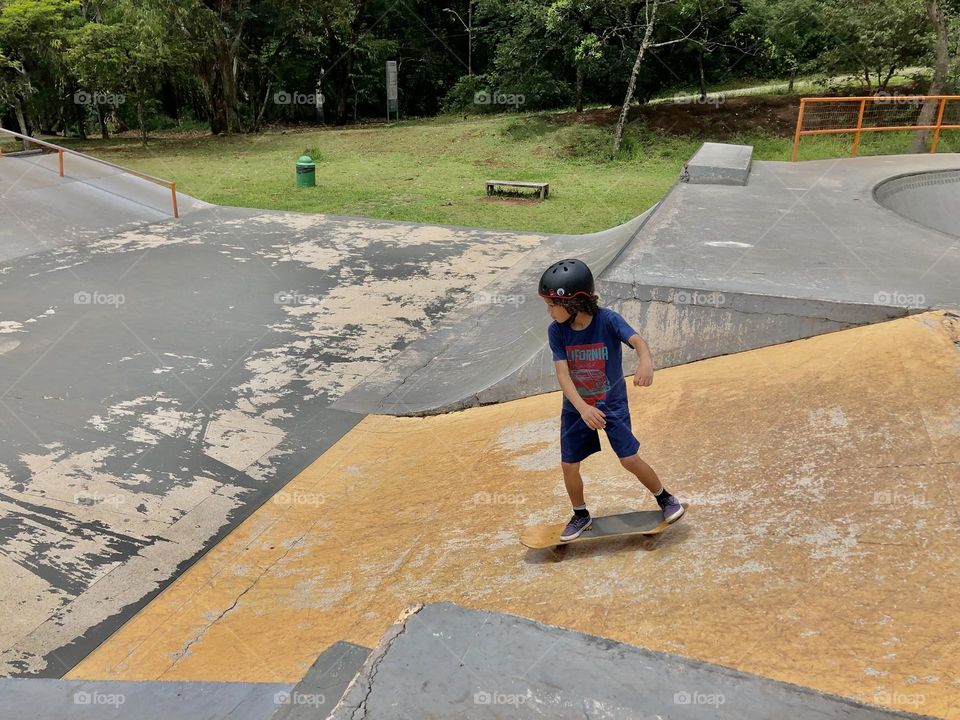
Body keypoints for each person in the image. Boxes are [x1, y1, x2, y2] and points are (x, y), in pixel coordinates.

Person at [540, 258, 683, 541]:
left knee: (629, 459)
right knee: (569, 464)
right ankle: (580, 515)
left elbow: (638, 342)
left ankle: (665, 498)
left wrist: (645, 361)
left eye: (551, 305)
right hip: (576, 408)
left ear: (573, 303)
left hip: (611, 404)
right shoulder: (557, 331)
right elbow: (563, 375)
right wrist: (582, 408)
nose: (548, 311)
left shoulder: (608, 320)